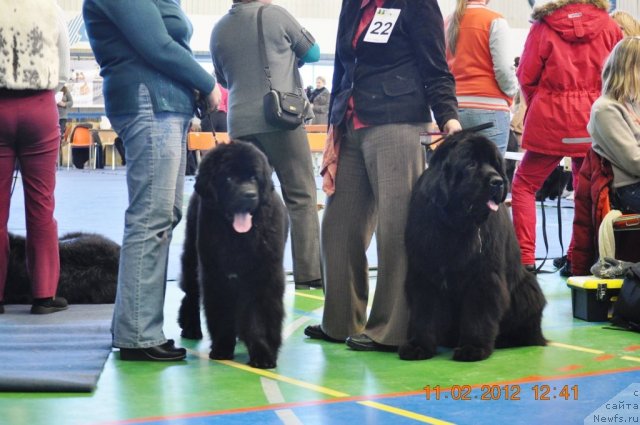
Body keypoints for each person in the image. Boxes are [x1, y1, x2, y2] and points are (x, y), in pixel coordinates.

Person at [304, 0, 461, 351]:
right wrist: (333, 123)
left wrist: (449, 117)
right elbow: (342, 69)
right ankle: (340, 320)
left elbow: (436, 67)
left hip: (398, 121)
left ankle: (393, 329)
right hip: (352, 123)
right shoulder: (353, 4)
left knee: (396, 229)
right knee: (338, 227)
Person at [83, 0, 221, 361]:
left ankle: (140, 327)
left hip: (164, 105)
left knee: (163, 214)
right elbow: (156, 44)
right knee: (151, 215)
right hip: (149, 102)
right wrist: (208, 84)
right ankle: (137, 334)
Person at [210, 0, 323, 290]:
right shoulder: (275, 14)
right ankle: (308, 273)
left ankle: (249, 272)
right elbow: (314, 53)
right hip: (279, 119)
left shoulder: (218, 29)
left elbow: (222, 78)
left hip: (240, 123)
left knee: (250, 200)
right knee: (301, 196)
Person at [511, 0, 622, 275]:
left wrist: (541, 103)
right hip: (592, 120)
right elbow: (617, 76)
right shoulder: (608, 24)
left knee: (524, 184)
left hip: (549, 119)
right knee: (584, 190)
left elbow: (526, 75)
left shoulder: (542, 26)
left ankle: (524, 258)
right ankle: (576, 258)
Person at [0, 0, 70, 315]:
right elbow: (64, 71)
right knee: (42, 206)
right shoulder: (51, 8)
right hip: (39, 108)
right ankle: (43, 295)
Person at [445, 0, 518, 155]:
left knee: (457, 175)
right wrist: (512, 91)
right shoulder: (494, 20)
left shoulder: (447, 22)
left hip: (453, 108)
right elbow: (504, 68)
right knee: (489, 174)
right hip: (490, 108)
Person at [590, 37, 640, 214]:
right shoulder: (605, 109)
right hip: (628, 189)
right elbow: (634, 162)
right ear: (631, 70)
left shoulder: (633, 103)